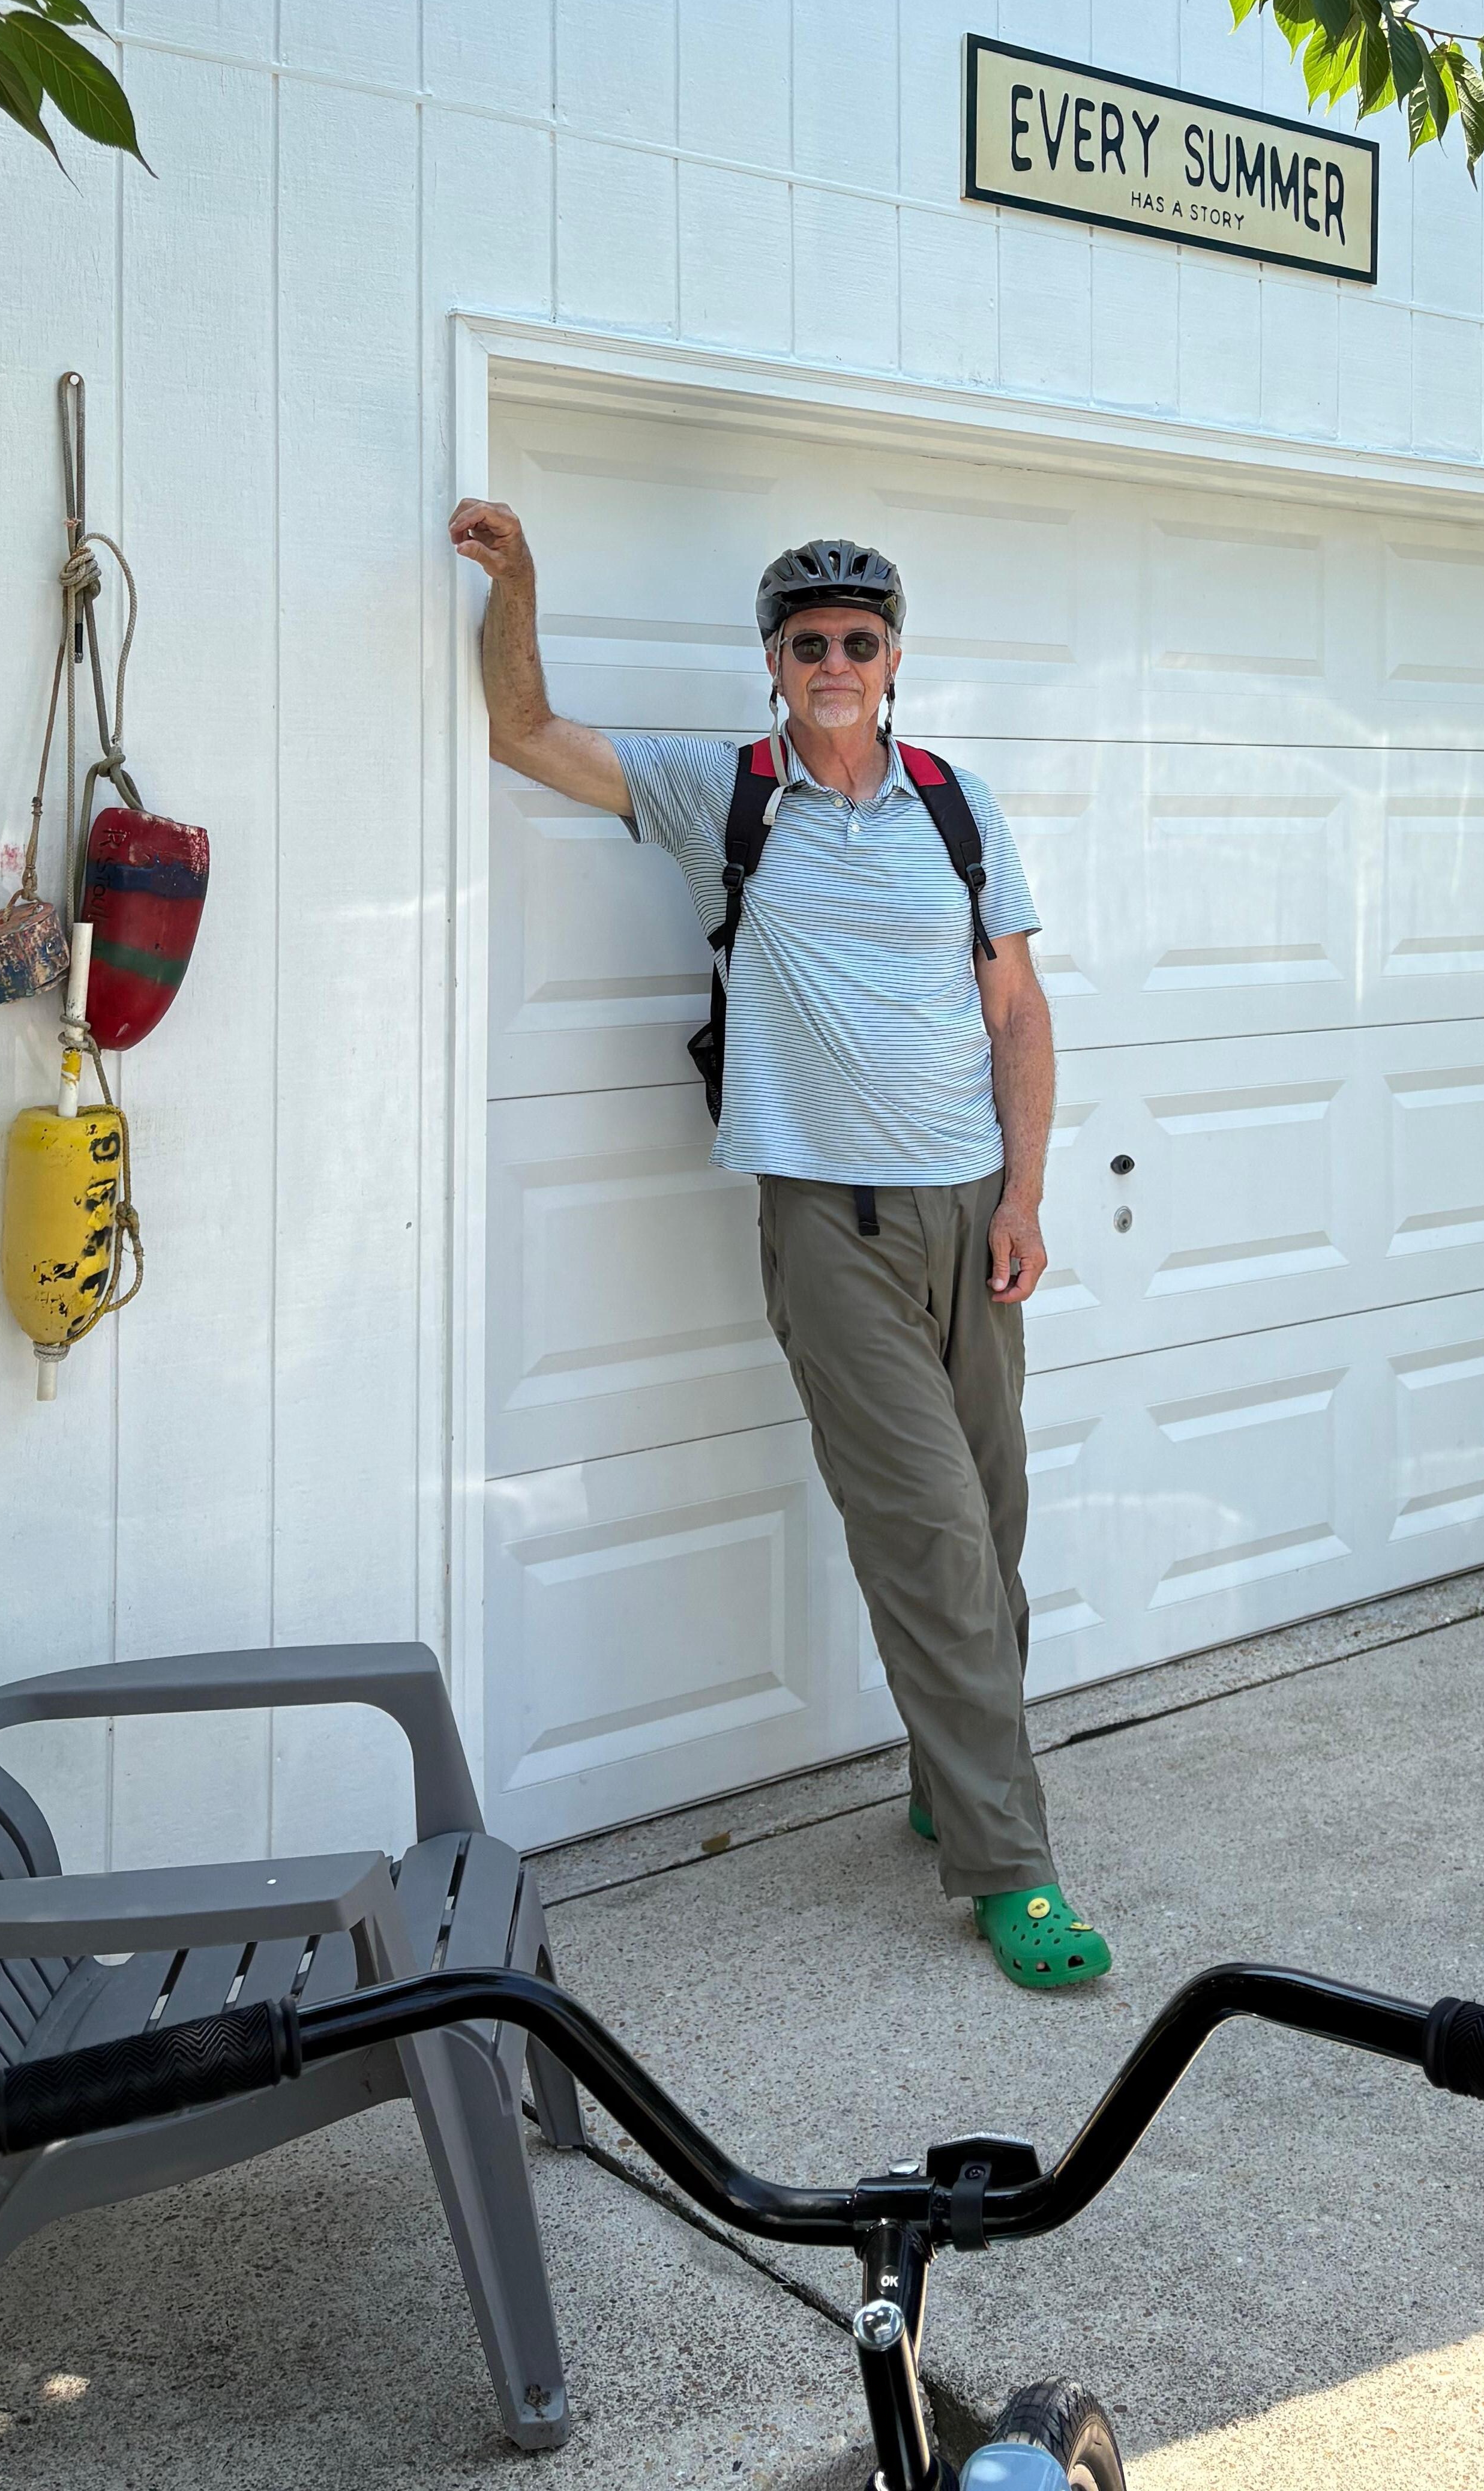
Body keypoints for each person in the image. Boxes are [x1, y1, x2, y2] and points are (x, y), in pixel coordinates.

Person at [448, 505, 1111, 1993]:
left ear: (893, 658)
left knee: (992, 1531)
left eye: (859, 641)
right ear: (773, 661)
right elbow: (522, 731)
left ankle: (952, 1773)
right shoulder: (721, 795)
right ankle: (1010, 1866)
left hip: (972, 1217)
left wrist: (1024, 1196)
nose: (835, 662)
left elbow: (1016, 1012)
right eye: (808, 642)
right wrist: (523, 583)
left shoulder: (954, 805)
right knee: (933, 1539)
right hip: (833, 1226)